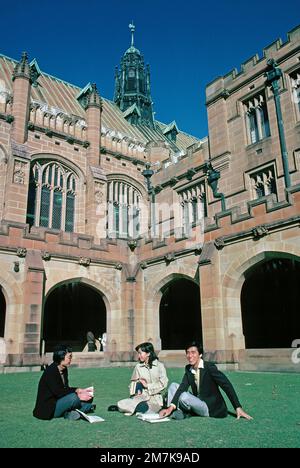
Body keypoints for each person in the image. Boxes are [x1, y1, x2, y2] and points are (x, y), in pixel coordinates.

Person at [159, 341, 253, 420]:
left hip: (209, 407)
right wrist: (170, 407)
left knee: (184, 396)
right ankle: (174, 411)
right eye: (188, 352)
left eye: (193, 352)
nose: (189, 355)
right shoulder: (188, 368)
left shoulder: (209, 367)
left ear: (200, 354)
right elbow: (182, 387)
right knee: (173, 386)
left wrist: (237, 407)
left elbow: (226, 385)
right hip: (197, 400)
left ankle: (183, 412)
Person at [33, 344, 95, 420]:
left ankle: (69, 413)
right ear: (61, 357)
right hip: (50, 407)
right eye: (69, 357)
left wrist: (79, 390)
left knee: (88, 398)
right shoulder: (51, 371)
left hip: (59, 401)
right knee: (74, 398)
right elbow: (58, 392)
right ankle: (73, 411)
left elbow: (65, 389)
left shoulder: (64, 369)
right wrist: (77, 394)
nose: (71, 359)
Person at [117, 342, 168, 416]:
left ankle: (141, 408)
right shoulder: (138, 367)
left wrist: (147, 386)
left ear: (148, 353)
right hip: (140, 397)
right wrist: (135, 389)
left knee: (151, 406)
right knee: (120, 403)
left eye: (140, 353)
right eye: (138, 353)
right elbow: (133, 383)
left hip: (155, 399)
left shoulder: (160, 366)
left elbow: (163, 384)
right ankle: (139, 408)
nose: (138, 356)